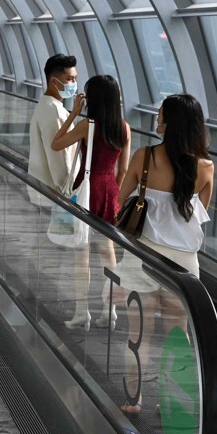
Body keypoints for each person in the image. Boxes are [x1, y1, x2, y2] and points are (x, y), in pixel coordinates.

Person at [114, 94, 213, 415]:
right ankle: (171, 403)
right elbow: (200, 212)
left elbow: (120, 198)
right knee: (177, 335)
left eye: (160, 116)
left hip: (141, 257)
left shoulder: (145, 157)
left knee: (138, 334)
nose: (157, 121)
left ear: (169, 124)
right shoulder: (206, 168)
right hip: (183, 266)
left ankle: (134, 398)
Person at [51, 75, 131, 328]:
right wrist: (116, 198)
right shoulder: (124, 127)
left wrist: (74, 113)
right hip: (109, 189)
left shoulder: (88, 125)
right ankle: (110, 311)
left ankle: (81, 312)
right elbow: (124, 170)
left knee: (81, 254)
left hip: (85, 189)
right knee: (108, 253)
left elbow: (56, 144)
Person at [27, 54, 78, 205]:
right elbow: (58, 159)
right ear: (54, 81)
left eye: (75, 78)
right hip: (54, 197)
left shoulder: (46, 105)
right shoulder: (54, 112)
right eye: (69, 79)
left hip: (44, 192)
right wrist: (69, 191)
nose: (74, 83)